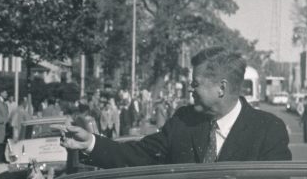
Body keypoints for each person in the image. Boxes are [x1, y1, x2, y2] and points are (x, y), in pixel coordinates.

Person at [61, 48, 292, 166]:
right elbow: (139, 154)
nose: (190, 90)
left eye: (195, 84)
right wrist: (90, 142)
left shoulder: (269, 129)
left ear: (221, 88)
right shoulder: (184, 120)